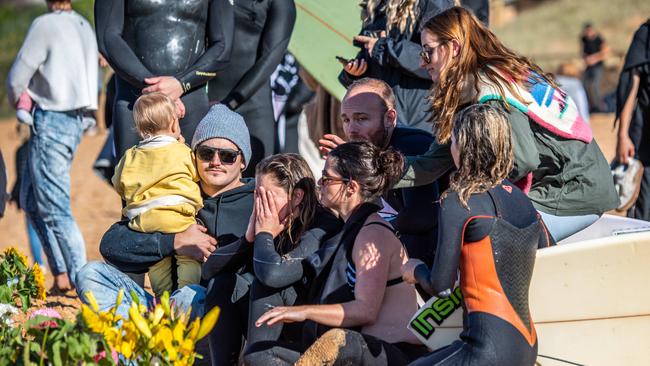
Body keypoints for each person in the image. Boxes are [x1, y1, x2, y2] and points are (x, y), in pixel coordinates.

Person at [396, 6, 618, 242]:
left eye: (427, 52)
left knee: (482, 233)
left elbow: (524, 159)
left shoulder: (492, 91)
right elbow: (431, 164)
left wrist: (472, 187)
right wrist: (375, 176)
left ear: (453, 48)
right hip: (568, 182)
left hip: (573, 190)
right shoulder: (476, 84)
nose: (423, 63)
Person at [244, 141, 428, 366]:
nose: (320, 183)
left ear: (351, 188)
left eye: (327, 178)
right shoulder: (355, 226)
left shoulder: (372, 234)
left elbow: (365, 310)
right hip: (352, 347)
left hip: (388, 353)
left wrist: (303, 312)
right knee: (258, 353)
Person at [402, 104, 551, 365]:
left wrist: (415, 270)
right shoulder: (523, 201)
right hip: (527, 346)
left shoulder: (459, 201)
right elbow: (547, 251)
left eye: (454, 140)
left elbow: (441, 286)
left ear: (463, 146)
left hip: (485, 350)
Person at [76, 104, 255, 321]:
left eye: (227, 156)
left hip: (209, 314)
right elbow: (112, 245)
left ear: (243, 160)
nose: (215, 162)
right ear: (192, 156)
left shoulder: (253, 203)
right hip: (160, 308)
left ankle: (154, 344)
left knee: (192, 296)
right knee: (90, 275)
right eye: (207, 153)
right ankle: (142, 344)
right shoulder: (174, 193)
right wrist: (175, 242)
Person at [201, 153, 342, 365]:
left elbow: (272, 275)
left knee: (267, 285)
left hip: (311, 329)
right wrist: (248, 239)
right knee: (222, 283)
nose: (259, 204)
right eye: (256, 195)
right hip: (275, 321)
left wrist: (264, 234)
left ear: (296, 197)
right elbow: (209, 270)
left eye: (267, 196)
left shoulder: (322, 226)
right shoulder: (274, 220)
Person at [6, 0, 98, 292]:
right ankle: (60, 273)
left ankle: (83, 281)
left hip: (51, 120)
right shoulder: (84, 25)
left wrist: (17, 100)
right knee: (31, 198)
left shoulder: (45, 25)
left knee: (56, 208)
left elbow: (18, 75)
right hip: (74, 120)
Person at [319, 78, 441, 265]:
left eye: (362, 119)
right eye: (346, 120)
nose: (351, 129)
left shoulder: (410, 145)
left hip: (441, 264)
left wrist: (368, 231)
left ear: (390, 118)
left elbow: (421, 217)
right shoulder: (374, 150)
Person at [94, 0, 234, 160]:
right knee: (133, 178)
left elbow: (223, 47)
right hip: (135, 100)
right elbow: (107, 37)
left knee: (189, 181)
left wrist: (181, 84)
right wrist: (160, 90)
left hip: (189, 103)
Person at [338, 0, 489, 132]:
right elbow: (376, 56)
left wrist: (384, 48)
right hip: (383, 119)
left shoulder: (433, 3)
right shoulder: (376, 5)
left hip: (420, 119)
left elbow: (443, 59)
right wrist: (355, 73)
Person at [112, 92, 203, 297]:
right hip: (178, 214)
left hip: (146, 219)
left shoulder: (131, 155)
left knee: (157, 261)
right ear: (173, 125)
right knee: (188, 258)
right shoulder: (181, 151)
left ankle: (163, 299)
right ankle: (185, 294)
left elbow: (119, 184)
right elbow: (197, 175)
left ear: (140, 129)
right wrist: (181, 144)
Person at [208, 0, 296, 177]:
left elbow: (269, 60)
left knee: (254, 185)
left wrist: (228, 104)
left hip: (251, 106)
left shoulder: (280, 3)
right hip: (208, 102)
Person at [614, 19, 650, 220]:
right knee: (643, 209)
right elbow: (631, 88)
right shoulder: (645, 35)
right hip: (644, 139)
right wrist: (622, 135)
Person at [581, 22, 609, 112]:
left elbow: (604, 53)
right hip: (589, 66)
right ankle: (589, 105)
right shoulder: (584, 39)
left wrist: (593, 59)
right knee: (583, 84)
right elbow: (583, 52)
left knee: (595, 85)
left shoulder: (598, 39)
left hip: (598, 66)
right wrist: (586, 58)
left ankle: (600, 106)